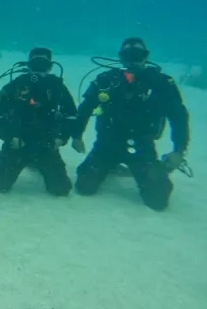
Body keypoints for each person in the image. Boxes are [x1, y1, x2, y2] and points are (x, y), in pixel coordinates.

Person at [73, 38, 190, 211]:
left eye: (138, 55)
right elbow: (85, 107)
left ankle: (156, 168)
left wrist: (179, 150)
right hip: (106, 144)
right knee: (84, 186)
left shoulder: (161, 83)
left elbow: (178, 116)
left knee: (157, 201)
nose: (133, 60)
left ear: (146, 56)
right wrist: (77, 135)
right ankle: (110, 165)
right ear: (121, 57)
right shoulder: (107, 79)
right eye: (128, 55)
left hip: (142, 147)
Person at [0, 48, 84, 197]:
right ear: (29, 65)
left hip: (46, 145)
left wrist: (62, 138)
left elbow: (71, 115)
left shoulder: (57, 87)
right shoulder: (16, 85)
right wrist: (9, 137)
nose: (39, 69)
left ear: (50, 66)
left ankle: (35, 163)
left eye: (43, 64)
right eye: (35, 64)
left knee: (60, 189)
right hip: (18, 144)